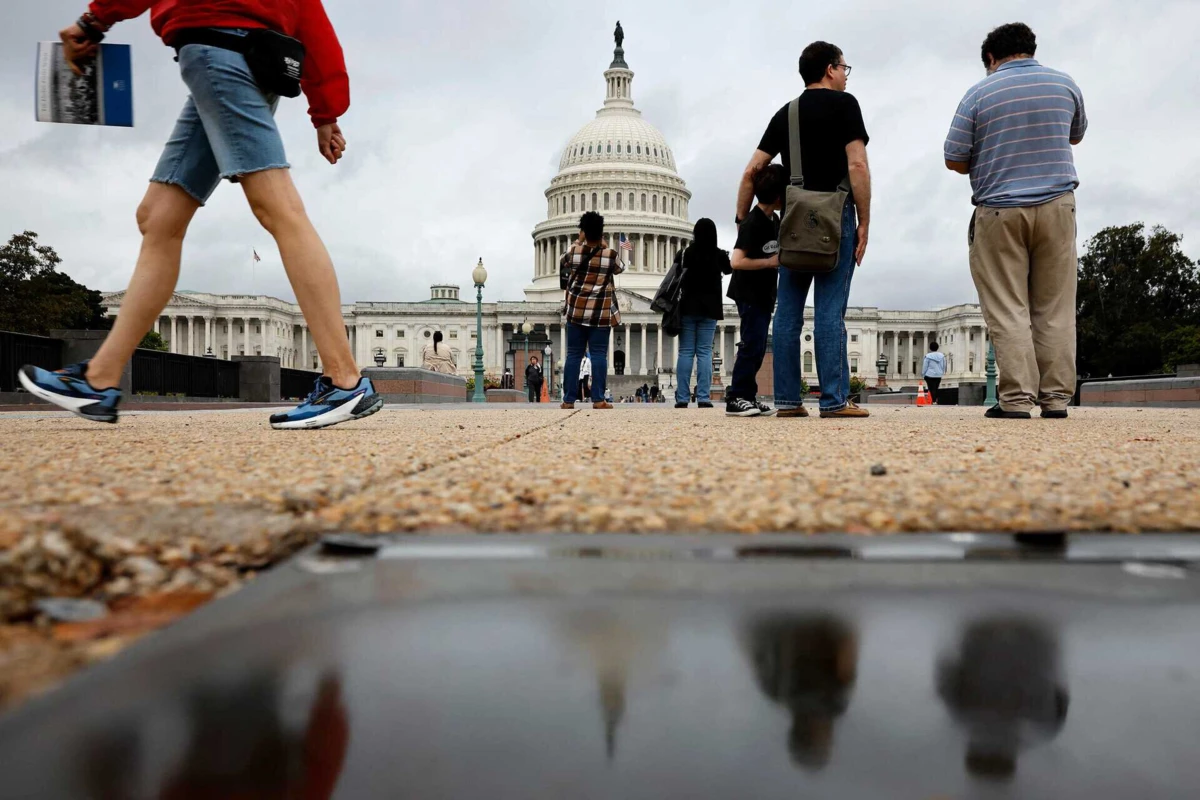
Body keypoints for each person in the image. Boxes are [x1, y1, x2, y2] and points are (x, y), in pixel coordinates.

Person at [20, 0, 380, 431]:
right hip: (245, 56)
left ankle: (345, 378)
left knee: (279, 209)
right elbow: (311, 17)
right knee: (158, 216)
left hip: (218, 46)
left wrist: (95, 20)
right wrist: (326, 110)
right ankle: (100, 377)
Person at [944, 23, 1087, 420]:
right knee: (1056, 307)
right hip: (1058, 205)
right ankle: (1057, 399)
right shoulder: (1065, 85)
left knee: (1009, 308)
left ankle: (1017, 399)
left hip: (999, 208)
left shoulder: (978, 94)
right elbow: (1075, 136)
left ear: (991, 58)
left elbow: (954, 157)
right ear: (1030, 49)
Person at [739, 41, 871, 420]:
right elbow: (857, 166)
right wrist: (864, 222)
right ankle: (833, 400)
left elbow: (752, 170)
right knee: (830, 313)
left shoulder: (787, 113)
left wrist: (740, 217)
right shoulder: (847, 106)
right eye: (845, 67)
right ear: (830, 69)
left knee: (787, 315)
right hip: (836, 216)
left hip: (794, 221)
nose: (846, 75)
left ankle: (786, 401)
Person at [727, 165, 789, 418]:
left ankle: (748, 396)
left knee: (758, 346)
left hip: (763, 293)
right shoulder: (753, 222)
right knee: (751, 346)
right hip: (749, 293)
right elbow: (736, 261)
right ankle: (736, 397)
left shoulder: (774, 220)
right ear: (778, 196)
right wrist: (770, 262)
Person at [560, 211, 622, 409]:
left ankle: (568, 400)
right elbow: (620, 267)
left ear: (584, 232)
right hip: (600, 314)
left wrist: (578, 243)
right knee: (598, 355)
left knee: (573, 355)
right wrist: (603, 246)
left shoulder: (574, 253)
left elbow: (563, 261)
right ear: (602, 232)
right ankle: (598, 399)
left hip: (576, 312)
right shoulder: (610, 255)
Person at [673, 218, 731, 409]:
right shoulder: (718, 254)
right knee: (705, 353)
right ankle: (704, 397)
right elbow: (729, 269)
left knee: (685, 352)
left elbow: (675, 274)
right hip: (710, 308)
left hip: (688, 307)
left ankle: (682, 398)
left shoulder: (684, 254)